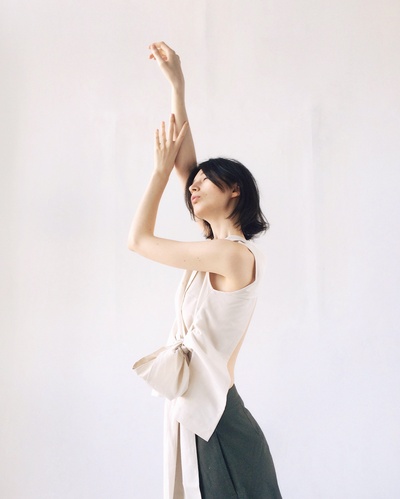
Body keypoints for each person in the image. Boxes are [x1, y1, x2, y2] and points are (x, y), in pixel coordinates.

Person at [128, 42, 282, 499]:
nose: (192, 187)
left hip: (218, 419)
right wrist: (177, 86)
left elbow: (139, 240)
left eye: (204, 183)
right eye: (190, 185)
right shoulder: (216, 248)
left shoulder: (232, 256)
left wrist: (159, 174)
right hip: (203, 412)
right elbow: (187, 163)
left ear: (234, 189)